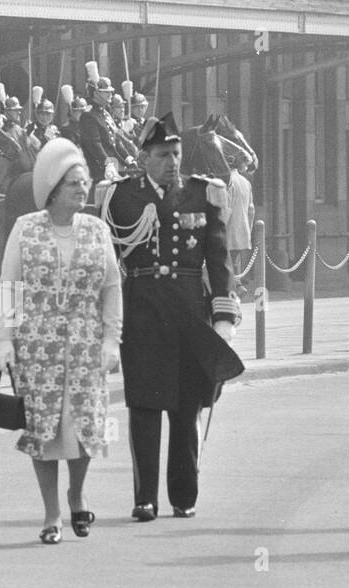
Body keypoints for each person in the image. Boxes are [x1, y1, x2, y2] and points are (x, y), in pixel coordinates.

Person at [101, 112, 244, 521]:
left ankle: (184, 495)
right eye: (163, 154)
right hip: (143, 314)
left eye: (176, 154)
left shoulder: (203, 193)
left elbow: (219, 261)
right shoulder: (120, 196)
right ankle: (145, 497)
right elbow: (107, 263)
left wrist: (224, 318)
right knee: (145, 407)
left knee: (186, 408)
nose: (172, 162)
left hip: (189, 316)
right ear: (145, 156)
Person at [0, 139, 121, 544]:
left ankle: (77, 494)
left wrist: (111, 341)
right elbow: (9, 286)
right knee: (44, 431)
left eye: (85, 183)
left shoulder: (98, 229)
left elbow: (112, 287)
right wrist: (4, 339)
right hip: (38, 346)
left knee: (83, 427)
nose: (82, 190)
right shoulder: (25, 229)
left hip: (86, 343)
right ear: (53, 190)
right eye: (73, 185)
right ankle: (51, 514)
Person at [225, 151, 255, 293]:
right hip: (241, 230)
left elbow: (226, 209)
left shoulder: (227, 182)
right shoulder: (245, 182)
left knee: (226, 267)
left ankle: (236, 290)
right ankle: (237, 289)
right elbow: (251, 210)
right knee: (234, 264)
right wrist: (247, 229)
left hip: (228, 231)